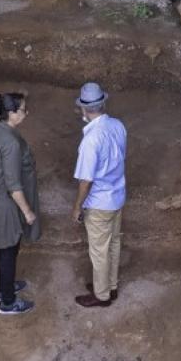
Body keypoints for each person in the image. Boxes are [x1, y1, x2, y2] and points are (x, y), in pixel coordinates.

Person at [0, 92, 41, 315]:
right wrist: (28, 212)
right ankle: (7, 302)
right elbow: (13, 185)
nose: (27, 112)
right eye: (23, 109)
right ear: (11, 113)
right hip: (4, 202)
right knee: (8, 249)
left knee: (3, 245)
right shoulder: (11, 143)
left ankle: (4, 287)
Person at [71, 81, 127, 308]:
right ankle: (110, 286)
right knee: (113, 243)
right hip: (117, 197)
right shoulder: (118, 126)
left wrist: (77, 206)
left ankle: (102, 295)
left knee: (99, 252)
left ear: (84, 109)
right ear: (103, 103)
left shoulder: (91, 140)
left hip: (99, 203)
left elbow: (86, 180)